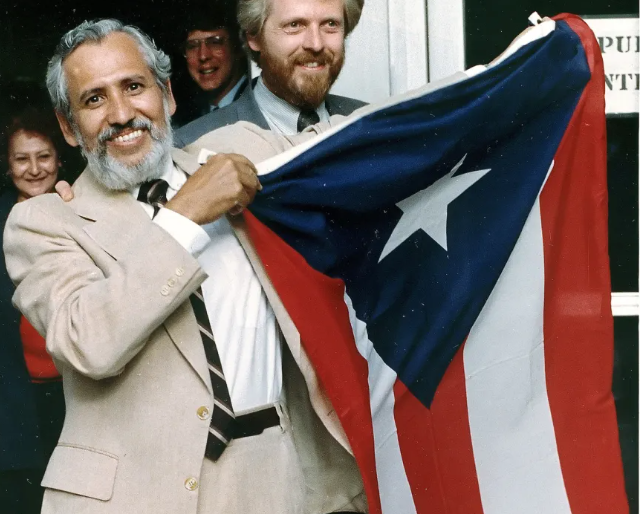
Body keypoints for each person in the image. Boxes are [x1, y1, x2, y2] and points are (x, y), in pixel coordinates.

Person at [4, 19, 366, 514]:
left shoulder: (242, 154)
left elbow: (366, 145)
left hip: (278, 479)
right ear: (68, 127)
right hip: (132, 496)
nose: (121, 114)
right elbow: (87, 341)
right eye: (94, 100)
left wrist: (502, 74)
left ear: (168, 95)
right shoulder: (44, 222)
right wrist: (184, 214)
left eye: (134, 87)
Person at [174, 0, 366, 146]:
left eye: (330, 24)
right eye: (294, 25)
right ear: (254, 38)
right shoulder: (193, 142)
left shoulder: (375, 122)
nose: (316, 44)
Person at [0, 108, 66, 514]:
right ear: (8, 167)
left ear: (59, 157)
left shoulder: (80, 207)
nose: (34, 168)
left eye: (43, 156)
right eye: (21, 159)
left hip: (76, 390)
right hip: (17, 398)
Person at [171, 0, 250, 127]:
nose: (203, 56)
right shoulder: (186, 115)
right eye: (192, 46)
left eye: (215, 42)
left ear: (238, 47)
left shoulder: (256, 103)